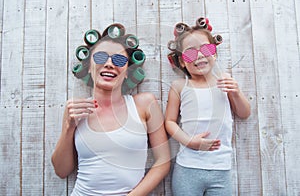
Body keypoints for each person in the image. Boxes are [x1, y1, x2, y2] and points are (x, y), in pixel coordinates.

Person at [51, 23, 170, 196]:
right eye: (100, 58)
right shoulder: (76, 110)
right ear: (89, 66)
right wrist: (68, 128)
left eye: (119, 60)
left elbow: (163, 161)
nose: (109, 64)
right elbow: (61, 171)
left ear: (127, 71)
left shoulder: (144, 104)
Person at [165, 18, 251, 196]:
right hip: (188, 167)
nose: (200, 56)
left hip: (221, 169)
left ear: (215, 54)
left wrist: (236, 92)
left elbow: (244, 113)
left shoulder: (223, 80)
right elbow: (170, 122)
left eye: (206, 49)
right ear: (182, 61)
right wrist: (189, 141)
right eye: (190, 53)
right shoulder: (180, 86)